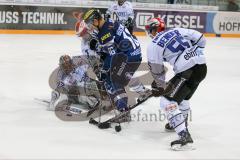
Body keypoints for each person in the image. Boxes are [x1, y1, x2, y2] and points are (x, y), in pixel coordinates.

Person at [145, 17, 207, 150]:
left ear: (152, 30)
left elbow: (157, 69)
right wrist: (194, 54)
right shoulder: (176, 30)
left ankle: (184, 136)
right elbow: (201, 38)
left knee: (167, 101)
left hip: (187, 72)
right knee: (183, 98)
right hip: (202, 67)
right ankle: (180, 123)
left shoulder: (154, 44)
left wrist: (160, 85)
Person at [82, 9, 151, 116]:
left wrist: (104, 70)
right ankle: (143, 91)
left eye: (90, 23)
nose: (90, 27)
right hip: (134, 53)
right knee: (122, 74)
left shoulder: (105, 33)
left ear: (96, 21)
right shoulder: (109, 22)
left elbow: (112, 56)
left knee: (111, 80)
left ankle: (123, 110)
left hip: (128, 57)